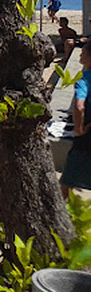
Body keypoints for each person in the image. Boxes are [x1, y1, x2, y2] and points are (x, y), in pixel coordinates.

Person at [60, 43, 91, 197]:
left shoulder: (84, 80)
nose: (80, 55)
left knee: (67, 182)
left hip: (86, 139)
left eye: (83, 52)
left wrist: (78, 129)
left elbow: (79, 107)